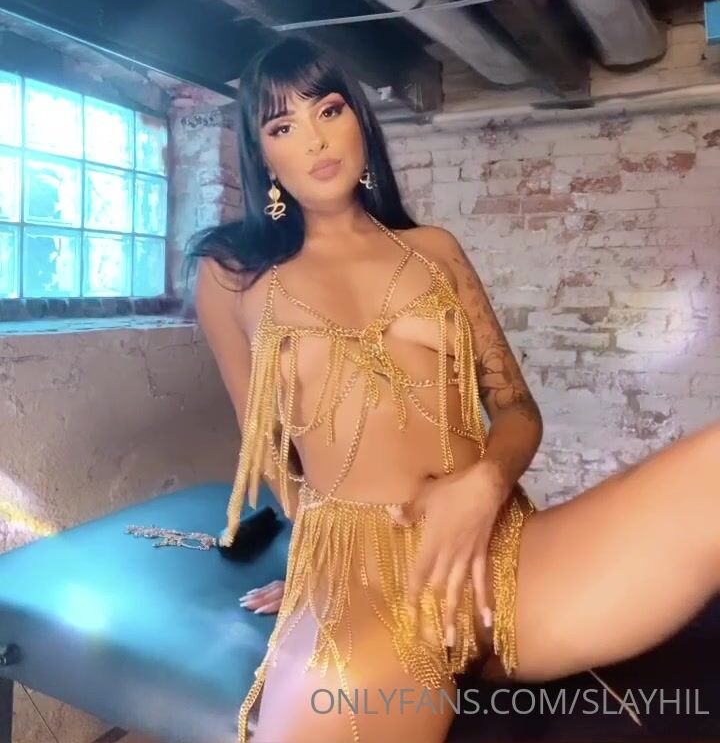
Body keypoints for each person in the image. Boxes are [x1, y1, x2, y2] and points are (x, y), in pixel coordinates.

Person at [189, 37, 720, 743]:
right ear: (263, 157)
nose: (314, 139)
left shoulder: (433, 251)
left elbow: (517, 411)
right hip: (365, 575)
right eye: (283, 126)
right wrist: (318, 569)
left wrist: (485, 486)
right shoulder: (230, 274)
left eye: (329, 110)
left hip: (499, 548)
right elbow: (265, 448)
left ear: (359, 122)